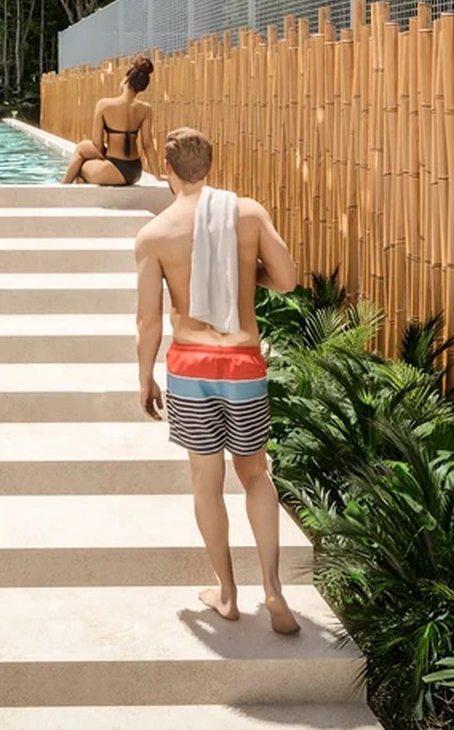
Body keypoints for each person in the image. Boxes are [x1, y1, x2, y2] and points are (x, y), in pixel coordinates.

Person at [133, 126, 301, 635]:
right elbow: (289, 278)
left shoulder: (155, 235)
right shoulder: (246, 213)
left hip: (190, 365)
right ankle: (273, 589)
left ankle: (226, 594)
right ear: (210, 164)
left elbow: (148, 321)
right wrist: (247, 279)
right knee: (255, 474)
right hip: (243, 363)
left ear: (166, 169)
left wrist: (145, 376)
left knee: (206, 482)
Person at [62, 56, 157, 186]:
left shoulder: (104, 105)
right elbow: (148, 144)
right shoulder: (146, 109)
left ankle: (61, 190)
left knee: (80, 168)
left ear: (126, 79)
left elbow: (97, 144)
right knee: (83, 146)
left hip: (115, 168)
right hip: (135, 171)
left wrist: (101, 155)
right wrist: (157, 175)